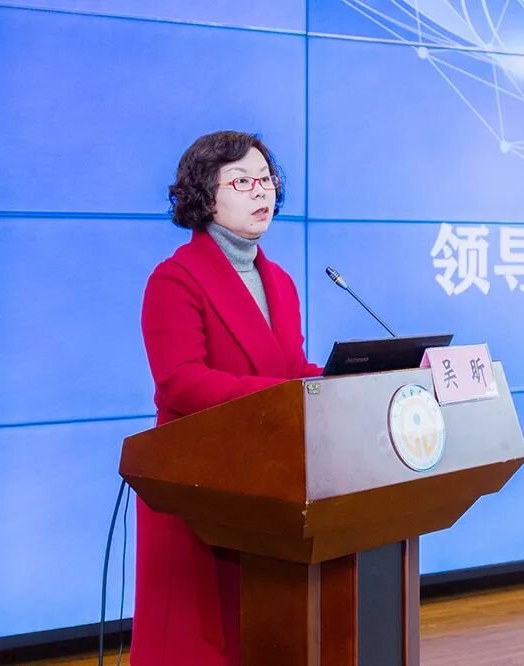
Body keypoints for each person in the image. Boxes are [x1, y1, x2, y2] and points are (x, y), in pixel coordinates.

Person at [132, 131, 323, 666]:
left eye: (266, 179)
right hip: (197, 485)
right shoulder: (175, 279)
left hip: (265, 481)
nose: (261, 191)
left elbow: (290, 369)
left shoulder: (278, 280)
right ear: (204, 195)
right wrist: (287, 393)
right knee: (197, 642)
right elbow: (180, 382)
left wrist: (341, 380)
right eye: (241, 182)